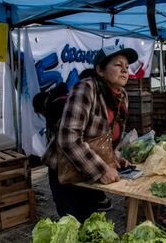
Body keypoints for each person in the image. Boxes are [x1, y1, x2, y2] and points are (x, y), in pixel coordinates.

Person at [42, 45, 138, 222]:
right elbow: (68, 139)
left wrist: (113, 158)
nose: (125, 69)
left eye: (126, 66)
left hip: (88, 170)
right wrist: (102, 169)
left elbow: (106, 137)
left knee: (92, 222)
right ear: (100, 70)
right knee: (74, 224)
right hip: (67, 171)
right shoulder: (85, 89)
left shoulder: (121, 96)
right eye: (118, 65)